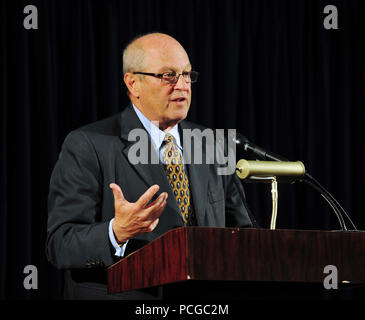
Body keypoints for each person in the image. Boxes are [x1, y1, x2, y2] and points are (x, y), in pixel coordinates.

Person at [46, 32, 253, 300]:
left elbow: (243, 234)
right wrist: (116, 232)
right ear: (133, 83)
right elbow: (60, 244)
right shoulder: (88, 144)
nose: (182, 85)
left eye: (187, 75)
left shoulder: (211, 145)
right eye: (168, 75)